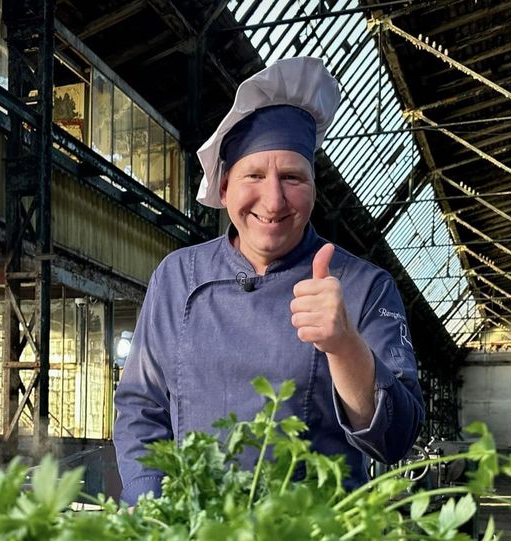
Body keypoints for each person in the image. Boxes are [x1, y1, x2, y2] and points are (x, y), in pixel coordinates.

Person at [113, 56, 425, 505]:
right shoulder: (178, 277)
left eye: (293, 178)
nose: (274, 200)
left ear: (314, 188)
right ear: (224, 190)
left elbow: (395, 438)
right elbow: (140, 409)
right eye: (254, 176)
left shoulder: (364, 287)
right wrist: (151, 512)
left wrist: (344, 345)